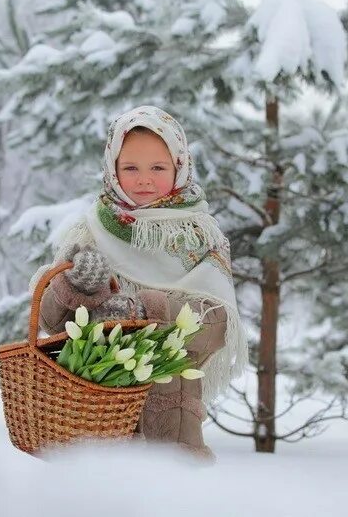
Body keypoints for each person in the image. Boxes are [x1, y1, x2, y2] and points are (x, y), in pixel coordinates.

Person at [30, 105, 248, 462]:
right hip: (94, 417)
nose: (144, 179)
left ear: (179, 166)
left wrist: (146, 313)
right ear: (112, 169)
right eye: (130, 167)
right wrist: (76, 287)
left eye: (158, 168)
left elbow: (216, 324)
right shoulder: (90, 232)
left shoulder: (200, 235)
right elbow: (53, 324)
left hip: (173, 427)